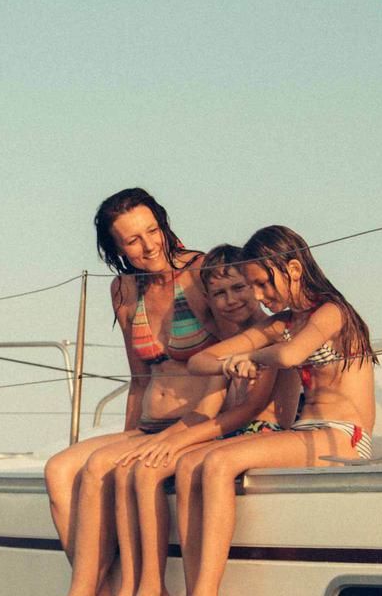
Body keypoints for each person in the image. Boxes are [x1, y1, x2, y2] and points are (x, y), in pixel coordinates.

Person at [45, 188, 234, 596]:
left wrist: (197, 430)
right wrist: (127, 437)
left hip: (194, 424)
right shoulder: (124, 290)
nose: (149, 246)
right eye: (133, 240)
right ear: (116, 248)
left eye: (153, 230)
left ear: (163, 224)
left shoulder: (202, 273)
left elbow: (235, 354)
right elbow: (138, 378)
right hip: (148, 424)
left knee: (99, 467)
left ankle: (98, 590)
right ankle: (107, 586)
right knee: (58, 470)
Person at [177, 225, 379, 596]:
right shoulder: (285, 323)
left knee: (219, 463)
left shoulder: (332, 312)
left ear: (294, 270)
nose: (259, 296)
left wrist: (248, 357)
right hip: (305, 435)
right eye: (253, 287)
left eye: (263, 284)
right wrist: (229, 364)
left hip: (343, 439)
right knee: (190, 464)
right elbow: (200, 362)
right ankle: (196, 588)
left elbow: (290, 355)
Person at [108, 245, 299, 596]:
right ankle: (153, 586)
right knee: (137, 468)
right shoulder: (230, 344)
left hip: (261, 430)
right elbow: (208, 409)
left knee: (186, 464)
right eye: (219, 294)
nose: (230, 300)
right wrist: (162, 441)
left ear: (255, 289)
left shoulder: (271, 332)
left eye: (239, 288)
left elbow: (249, 410)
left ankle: (201, 588)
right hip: (229, 432)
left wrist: (175, 442)